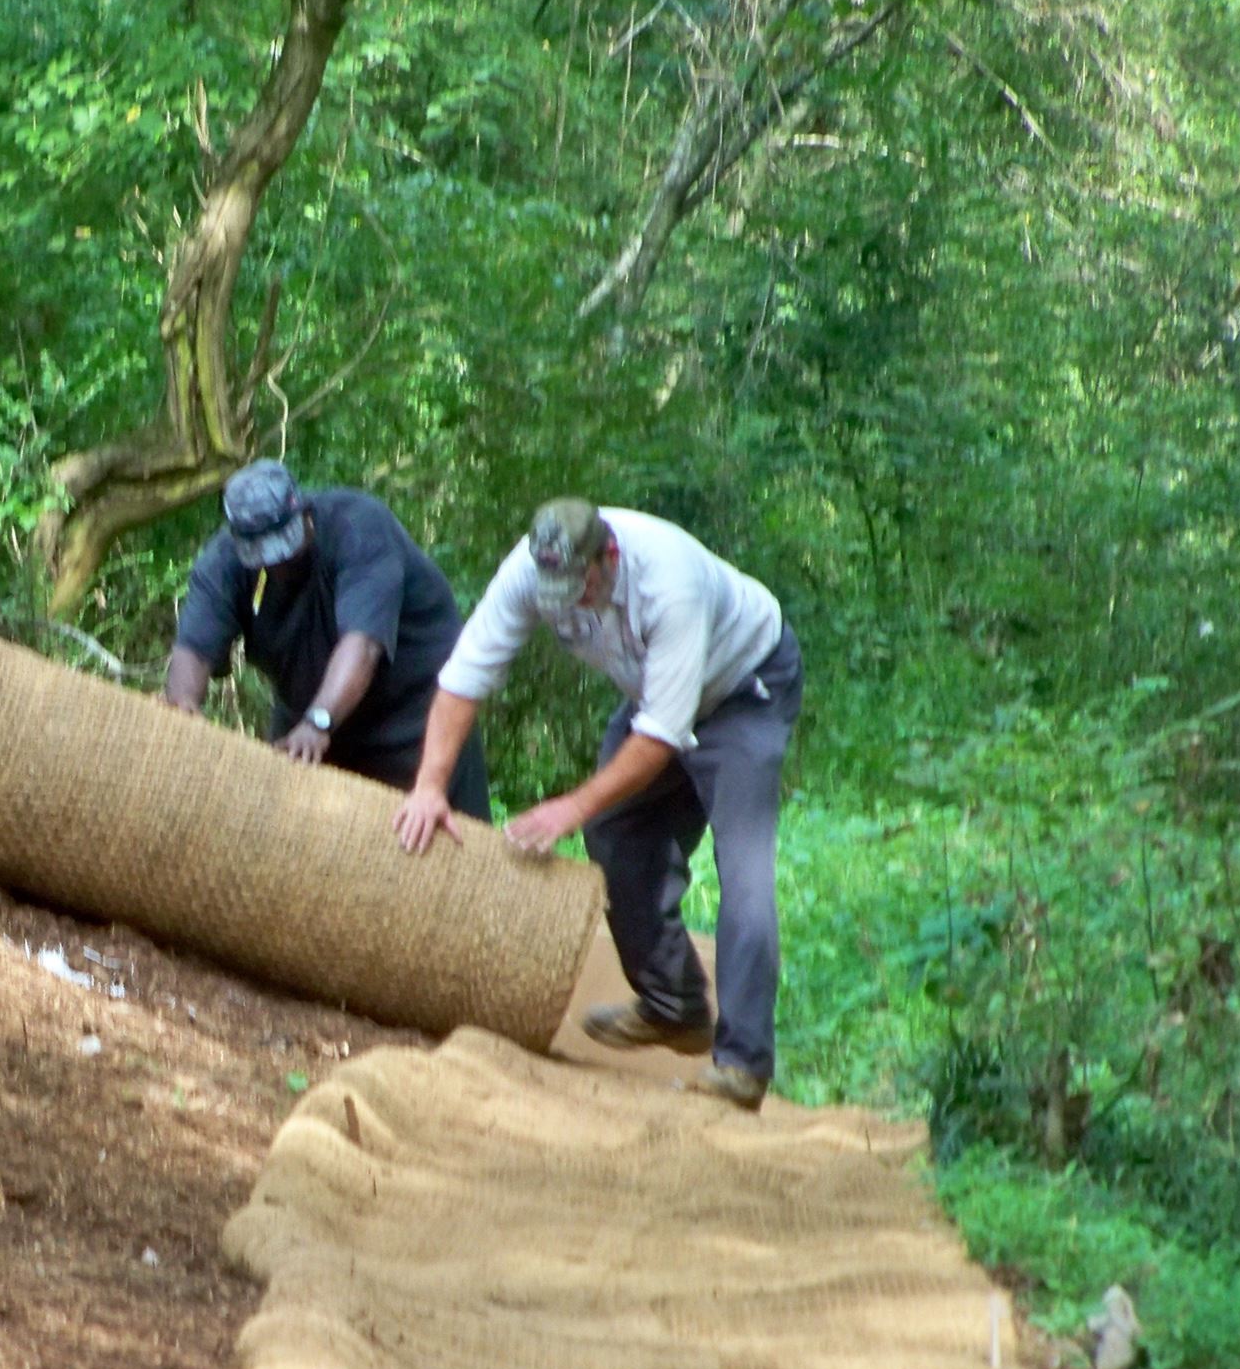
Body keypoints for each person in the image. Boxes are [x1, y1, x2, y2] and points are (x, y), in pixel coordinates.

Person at [391, 497, 801, 1111]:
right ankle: (674, 1004)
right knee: (613, 831)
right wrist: (429, 784)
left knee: (742, 869)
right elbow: (463, 677)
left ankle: (743, 1066)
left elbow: (662, 738)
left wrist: (568, 807)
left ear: (607, 556)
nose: (568, 601)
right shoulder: (530, 573)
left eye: (578, 587)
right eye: (554, 590)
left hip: (744, 689)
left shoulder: (669, 582)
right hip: (655, 691)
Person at [164, 460, 491, 817]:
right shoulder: (222, 565)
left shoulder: (359, 528)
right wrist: (183, 712)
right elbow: (193, 649)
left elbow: (362, 645)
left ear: (304, 514)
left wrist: (318, 722)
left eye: (286, 549)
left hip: (413, 723)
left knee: (445, 853)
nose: (278, 564)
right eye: (264, 557)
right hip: (306, 722)